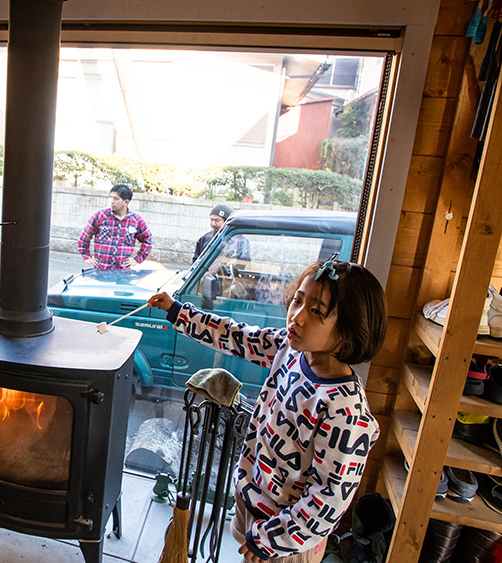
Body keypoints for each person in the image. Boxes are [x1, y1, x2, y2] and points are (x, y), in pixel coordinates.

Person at [147, 254, 386, 563]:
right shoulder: (290, 350)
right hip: (253, 506)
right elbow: (238, 337)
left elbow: (329, 499)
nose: (297, 317)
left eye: (316, 312)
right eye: (297, 301)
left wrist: (271, 540)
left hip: (287, 539)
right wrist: (178, 312)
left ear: (350, 328)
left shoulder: (345, 410)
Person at [77, 184, 152, 269]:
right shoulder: (100, 216)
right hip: (101, 271)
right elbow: (84, 237)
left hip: (123, 273)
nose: (112, 201)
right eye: (111, 197)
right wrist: (87, 257)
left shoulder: (136, 220)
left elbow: (148, 240)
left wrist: (137, 259)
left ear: (126, 202)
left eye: (116, 199)